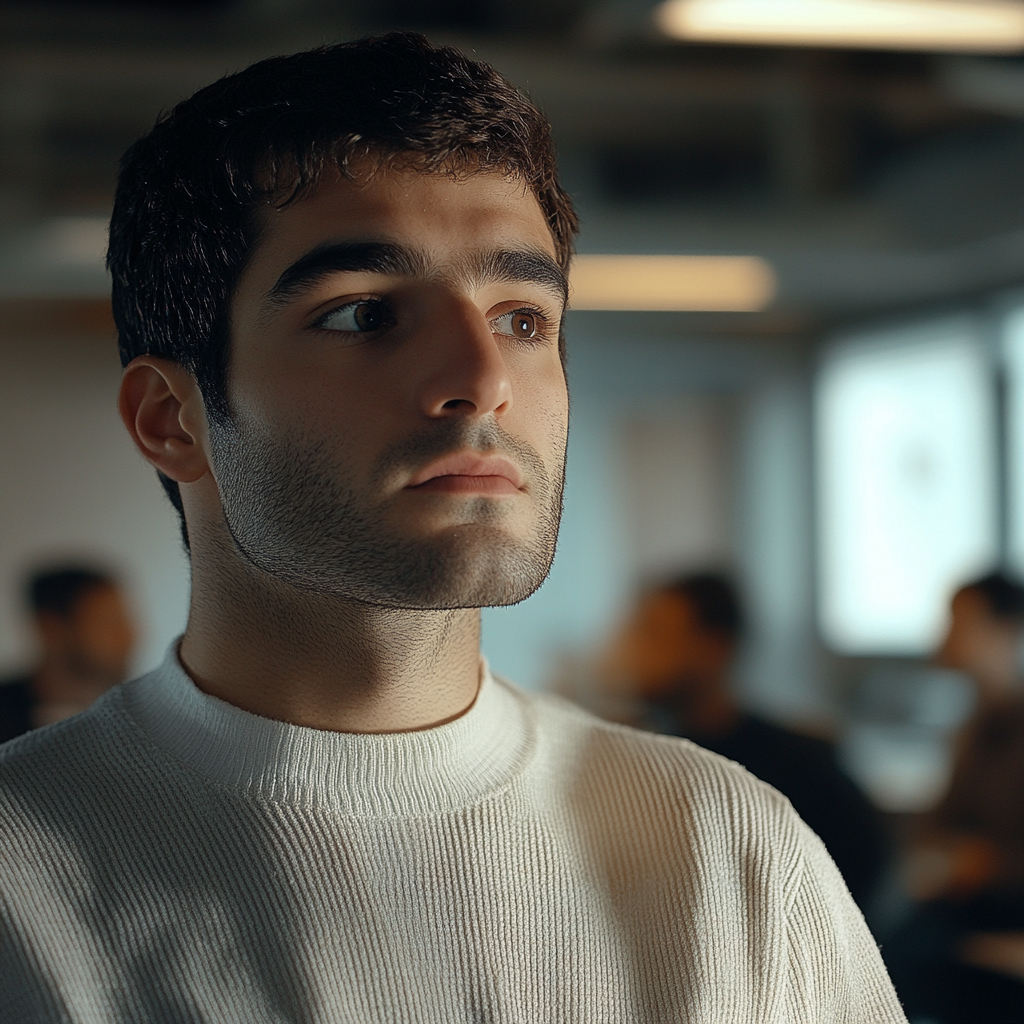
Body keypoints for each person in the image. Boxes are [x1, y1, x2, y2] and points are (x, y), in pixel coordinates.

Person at [0, 34, 904, 1022]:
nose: (481, 382)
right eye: (363, 315)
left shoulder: (729, 848)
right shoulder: (23, 880)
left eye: (522, 318)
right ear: (172, 420)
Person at [602, 572, 889, 911]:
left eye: (655, 634)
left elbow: (862, 875)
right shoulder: (636, 758)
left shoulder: (799, 765)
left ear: (715, 647)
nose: (635, 651)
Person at [887, 572, 1024, 1023]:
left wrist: (993, 864)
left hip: (1005, 903)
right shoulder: (975, 723)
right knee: (883, 947)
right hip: (968, 901)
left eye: (958, 622)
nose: (942, 637)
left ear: (1006, 630)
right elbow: (937, 826)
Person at [0, 565, 136, 743]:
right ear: (50, 627)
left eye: (126, 621)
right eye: (108, 624)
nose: (128, 637)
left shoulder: (144, 713)